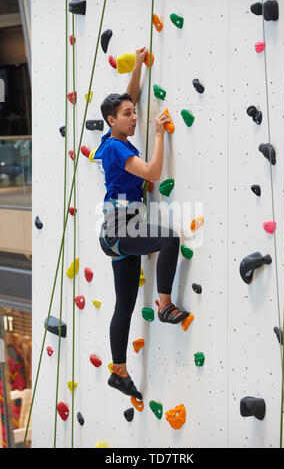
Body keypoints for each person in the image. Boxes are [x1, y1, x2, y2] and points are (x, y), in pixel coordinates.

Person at [93, 47, 190, 401]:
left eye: (134, 114)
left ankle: (118, 370)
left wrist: (136, 67)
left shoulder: (110, 138)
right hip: (120, 228)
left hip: (119, 231)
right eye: (127, 115)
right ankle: (165, 304)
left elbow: (126, 97)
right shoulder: (118, 149)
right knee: (169, 241)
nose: (133, 117)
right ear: (111, 120)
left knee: (125, 305)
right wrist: (160, 135)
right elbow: (150, 173)